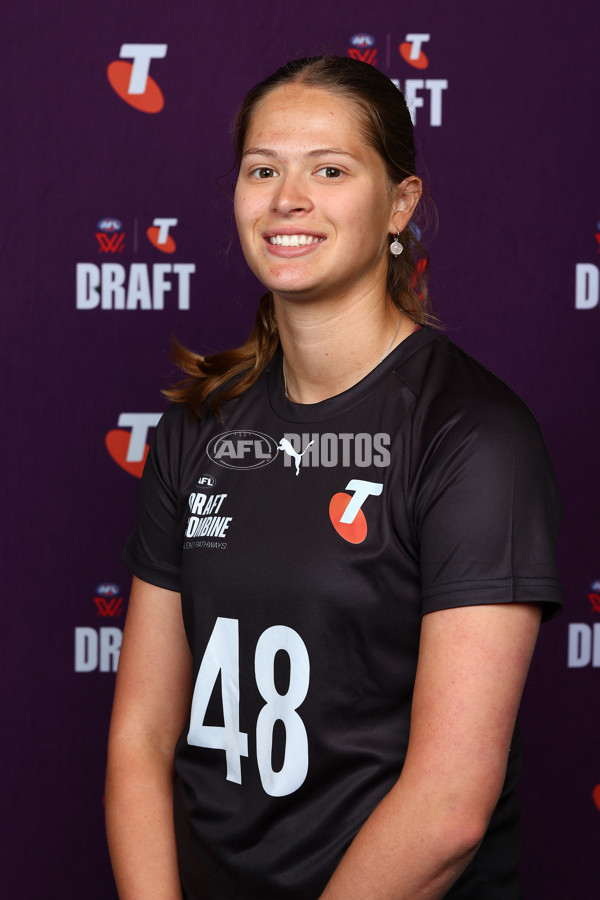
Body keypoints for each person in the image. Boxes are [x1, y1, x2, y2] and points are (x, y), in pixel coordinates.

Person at [105, 56, 562, 899]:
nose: (288, 198)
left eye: (330, 169)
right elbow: (140, 734)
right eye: (263, 169)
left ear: (400, 204)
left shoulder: (471, 436)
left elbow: (451, 807)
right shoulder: (198, 427)